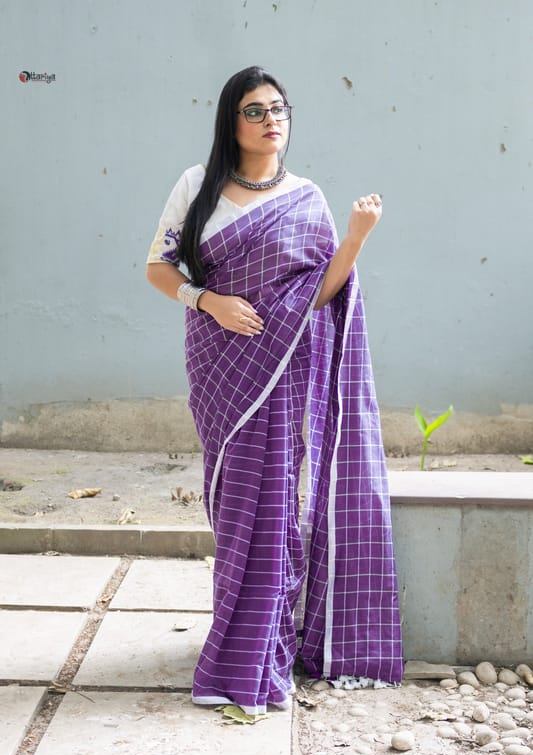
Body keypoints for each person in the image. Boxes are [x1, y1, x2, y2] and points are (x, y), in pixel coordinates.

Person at [146, 66, 403, 715]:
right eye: (255, 110)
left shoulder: (305, 198)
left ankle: (256, 654)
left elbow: (319, 294)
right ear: (231, 122)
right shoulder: (196, 186)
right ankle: (239, 643)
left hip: (281, 370)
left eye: (278, 109)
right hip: (218, 363)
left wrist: (355, 238)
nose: (271, 120)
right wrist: (209, 301)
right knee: (235, 505)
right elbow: (157, 267)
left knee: (275, 505)